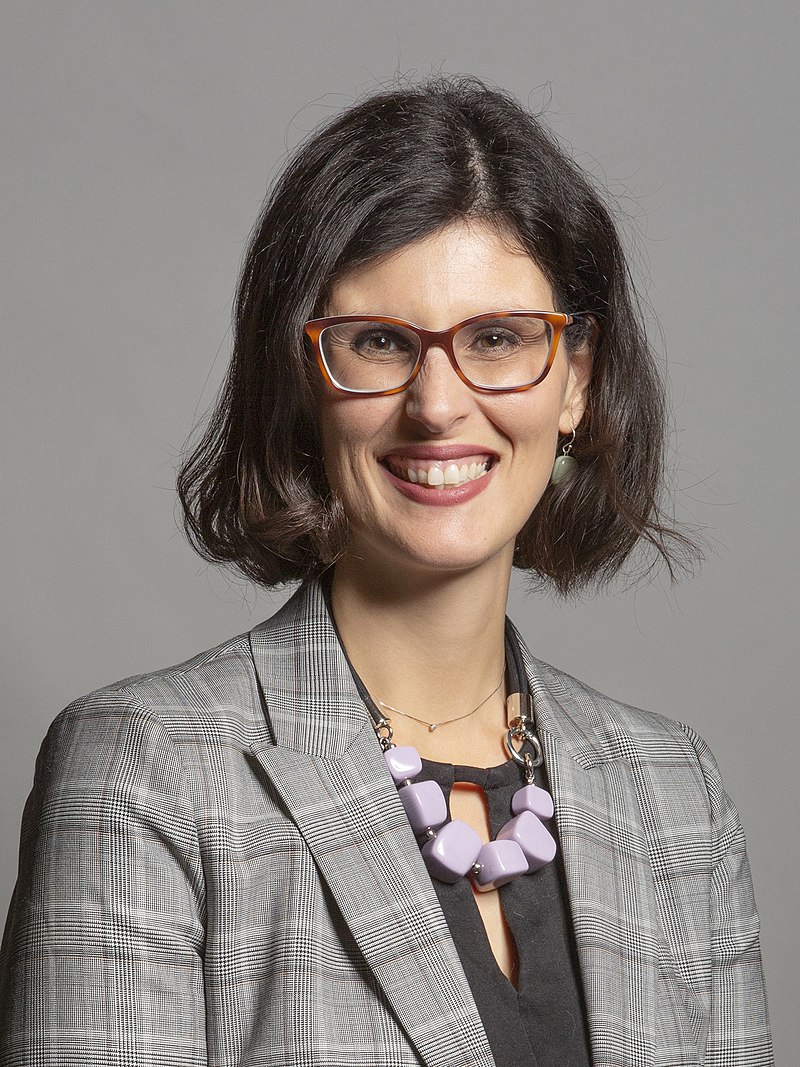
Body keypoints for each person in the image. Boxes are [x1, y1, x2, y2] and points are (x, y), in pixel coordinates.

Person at [0, 77, 773, 1067]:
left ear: (575, 380)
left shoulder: (674, 792)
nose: (438, 404)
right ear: (299, 379)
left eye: (497, 339)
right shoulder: (146, 768)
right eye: (377, 343)